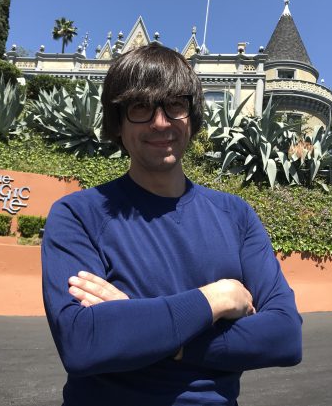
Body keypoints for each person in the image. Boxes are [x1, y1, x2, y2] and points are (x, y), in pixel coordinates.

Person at [41, 43, 302, 406]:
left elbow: (285, 336)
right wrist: (216, 299)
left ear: (191, 117)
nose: (160, 122)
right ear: (118, 122)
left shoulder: (236, 216)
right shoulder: (78, 215)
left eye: (175, 104)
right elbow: (82, 342)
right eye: (140, 107)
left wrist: (146, 328)